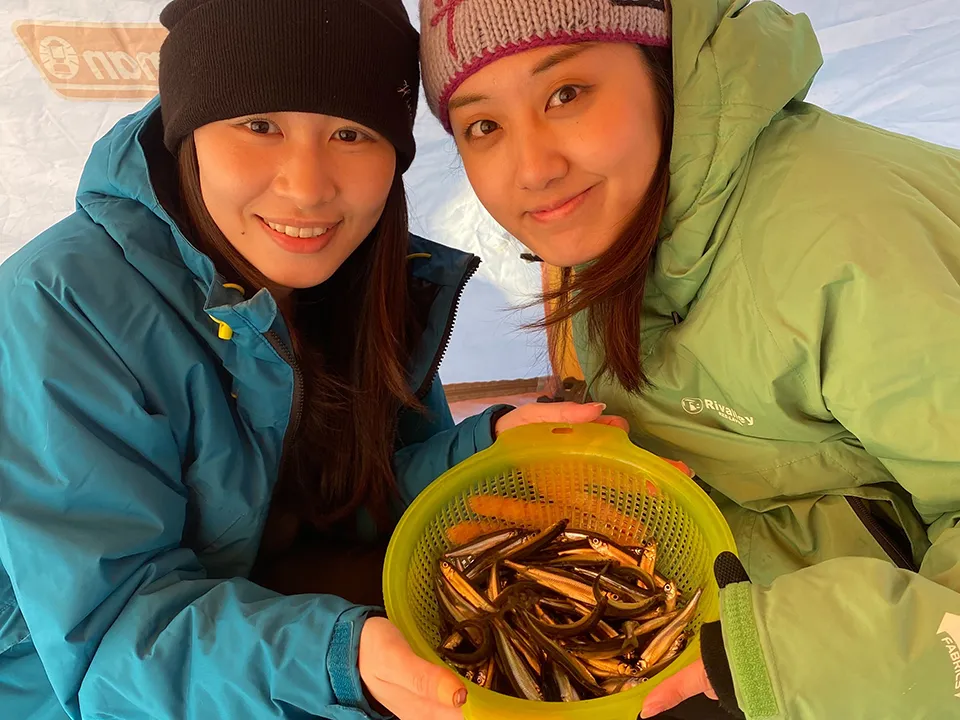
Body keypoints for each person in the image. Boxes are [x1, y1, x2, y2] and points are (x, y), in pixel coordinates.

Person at [0, 1, 622, 718]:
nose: (308, 186)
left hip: (266, 634)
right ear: (189, 128)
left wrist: (483, 454)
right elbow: (108, 642)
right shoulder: (61, 306)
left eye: (351, 132)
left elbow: (346, 502)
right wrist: (334, 660)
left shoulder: (365, 280)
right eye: (259, 125)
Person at [418, 0, 960, 717]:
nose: (534, 170)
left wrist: (797, 660)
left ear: (661, 64)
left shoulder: (855, 243)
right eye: (483, 125)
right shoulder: (609, 220)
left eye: (567, 94)